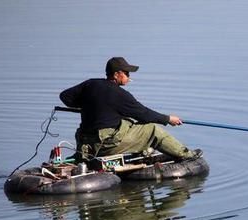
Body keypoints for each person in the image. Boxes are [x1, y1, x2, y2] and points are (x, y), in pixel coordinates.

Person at [59, 57, 201, 161]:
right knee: (152, 129)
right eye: (126, 73)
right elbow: (144, 115)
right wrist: (168, 119)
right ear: (116, 74)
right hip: (104, 145)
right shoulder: (120, 94)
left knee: (126, 121)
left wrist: (89, 105)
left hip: (85, 143)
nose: (129, 76)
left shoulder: (90, 84)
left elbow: (65, 96)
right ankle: (186, 154)